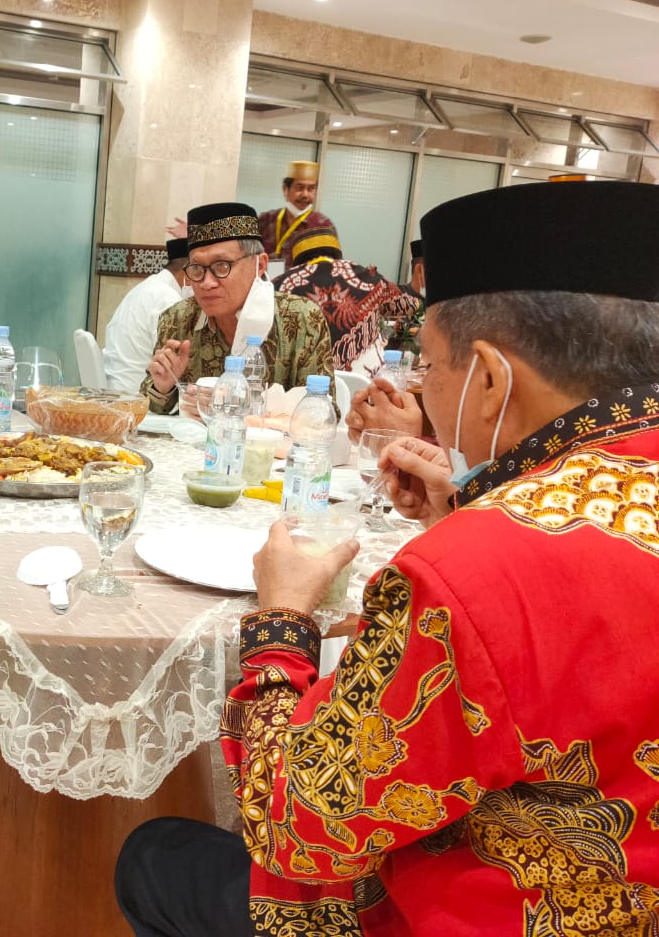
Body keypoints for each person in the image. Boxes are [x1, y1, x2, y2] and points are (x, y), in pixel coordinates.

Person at [115, 178, 659, 936]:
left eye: (429, 368)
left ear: (490, 377)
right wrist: (462, 509)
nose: (425, 390)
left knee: (153, 855)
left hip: (478, 911)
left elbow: (295, 823)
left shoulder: (476, 569)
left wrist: (282, 620)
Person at [140, 201, 334, 414]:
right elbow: (148, 407)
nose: (206, 283)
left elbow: (322, 413)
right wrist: (163, 387)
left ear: (260, 265)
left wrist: (237, 409)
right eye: (197, 268)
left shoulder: (301, 320)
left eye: (222, 266)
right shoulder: (177, 318)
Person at [273, 227, 420, 375]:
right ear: (337, 252)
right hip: (364, 383)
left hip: (304, 383)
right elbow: (410, 305)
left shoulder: (280, 284)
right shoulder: (366, 276)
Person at [102, 237, 190, 392]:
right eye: (198, 271)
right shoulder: (168, 298)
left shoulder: (147, 287)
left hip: (114, 388)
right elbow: (172, 366)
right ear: (186, 271)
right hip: (136, 395)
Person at [257, 159, 335, 271]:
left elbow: (331, 269)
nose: (305, 194)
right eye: (299, 187)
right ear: (285, 189)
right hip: (265, 281)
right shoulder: (265, 220)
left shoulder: (323, 226)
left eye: (311, 189)